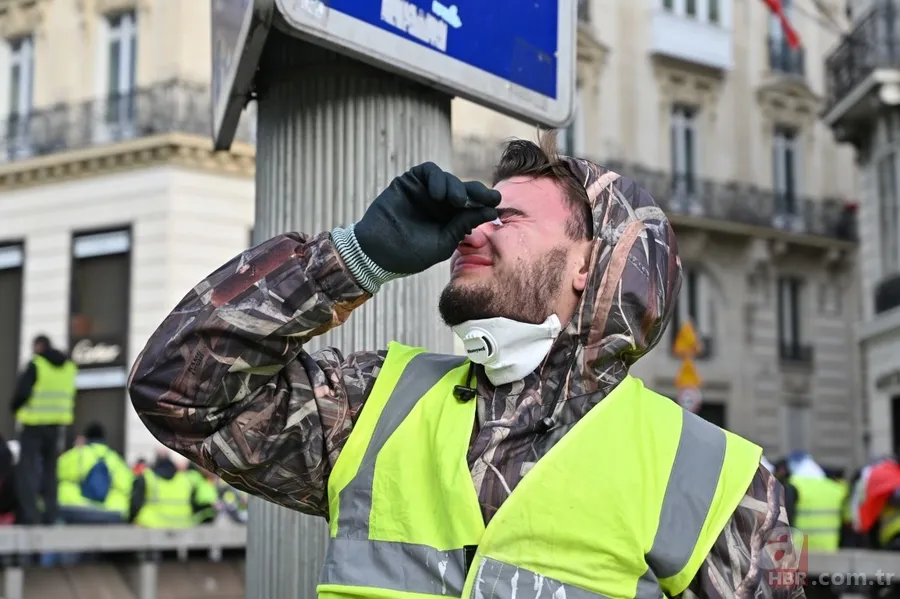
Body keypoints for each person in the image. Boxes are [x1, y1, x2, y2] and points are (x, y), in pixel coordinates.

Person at [129, 135, 800, 599]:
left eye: (501, 217)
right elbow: (177, 389)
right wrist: (354, 257)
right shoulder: (372, 404)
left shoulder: (719, 478)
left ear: (589, 264)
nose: (467, 231)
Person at [11, 334, 78, 525]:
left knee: (28, 471)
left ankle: (30, 515)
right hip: (56, 425)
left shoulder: (36, 364)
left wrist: (15, 409)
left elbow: (21, 394)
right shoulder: (69, 368)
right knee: (50, 472)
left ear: (39, 346)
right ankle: (51, 514)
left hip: (33, 425)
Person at [56, 422, 135, 524]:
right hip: (112, 512)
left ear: (86, 437)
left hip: (75, 509)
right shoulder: (116, 460)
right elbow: (128, 485)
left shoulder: (75, 454)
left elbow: (54, 474)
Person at [131, 451, 195, 528]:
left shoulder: (147, 477)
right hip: (182, 528)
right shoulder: (185, 479)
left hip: (149, 527)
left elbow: (135, 503)